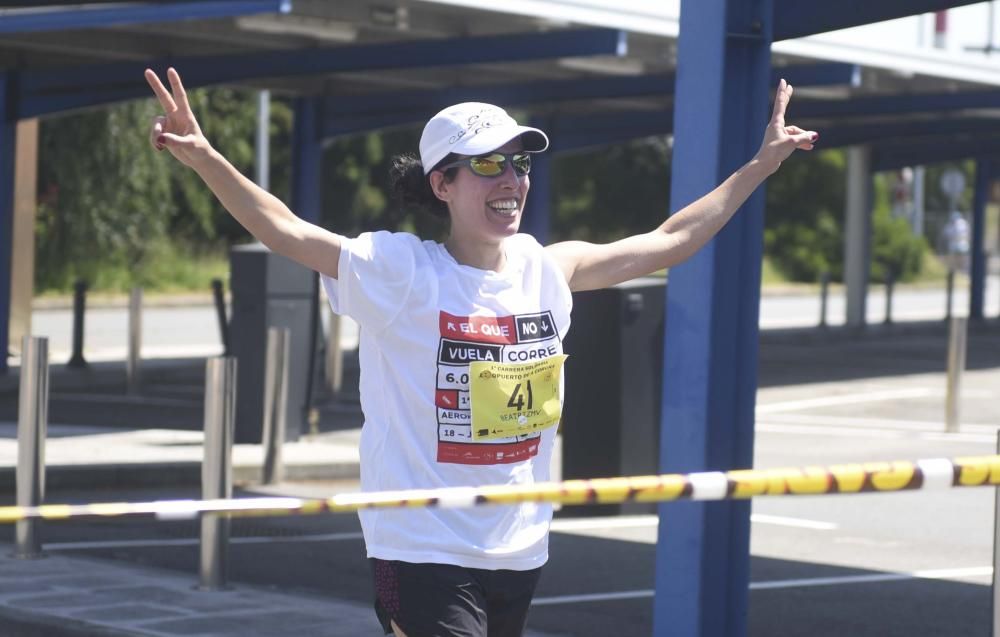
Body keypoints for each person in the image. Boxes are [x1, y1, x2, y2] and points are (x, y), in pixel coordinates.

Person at [145, 67, 816, 637]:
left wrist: (762, 164)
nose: (512, 180)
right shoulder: (401, 271)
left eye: (520, 163)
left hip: (519, 550)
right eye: (489, 165)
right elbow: (285, 229)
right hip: (420, 548)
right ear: (443, 184)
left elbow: (671, 239)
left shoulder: (544, 268)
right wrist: (204, 154)